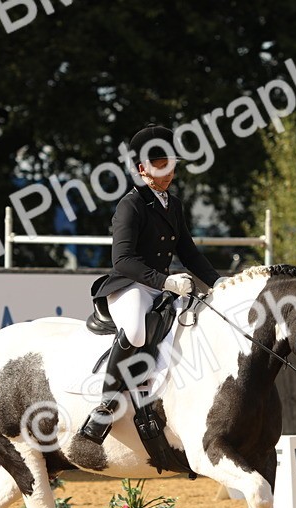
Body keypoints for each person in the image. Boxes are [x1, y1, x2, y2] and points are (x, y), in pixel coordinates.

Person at [78, 124, 222, 443]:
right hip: (128, 285)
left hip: (161, 285)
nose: (168, 171)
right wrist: (165, 280)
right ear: (143, 169)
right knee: (135, 329)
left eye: (171, 164)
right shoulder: (131, 205)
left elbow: (189, 253)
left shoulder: (174, 204)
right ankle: (105, 405)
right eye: (160, 165)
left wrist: (220, 285)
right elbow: (123, 260)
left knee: (195, 322)